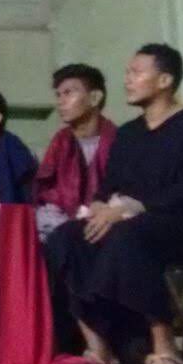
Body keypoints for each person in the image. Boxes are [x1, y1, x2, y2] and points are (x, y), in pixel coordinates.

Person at [44, 44, 183, 364]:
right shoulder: (130, 133)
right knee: (67, 238)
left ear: (164, 80)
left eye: (136, 73)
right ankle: (99, 349)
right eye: (127, 73)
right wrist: (100, 205)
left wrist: (135, 208)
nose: (127, 80)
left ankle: (166, 349)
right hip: (129, 221)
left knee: (131, 236)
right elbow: (110, 186)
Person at [35, 64, 117, 237]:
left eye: (68, 93)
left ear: (94, 98)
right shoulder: (60, 142)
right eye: (58, 95)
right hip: (62, 227)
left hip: (107, 225)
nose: (60, 102)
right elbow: (47, 195)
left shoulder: (120, 140)